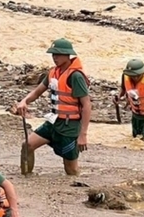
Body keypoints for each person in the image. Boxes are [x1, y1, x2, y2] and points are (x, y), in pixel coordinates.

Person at [12, 38, 91, 176]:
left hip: (69, 126)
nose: (55, 57)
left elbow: (86, 105)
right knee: (27, 145)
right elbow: (37, 92)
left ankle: (76, 189)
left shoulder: (76, 76)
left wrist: (83, 134)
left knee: (71, 169)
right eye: (53, 54)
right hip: (53, 121)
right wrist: (24, 101)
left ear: (68, 55)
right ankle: (27, 176)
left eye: (59, 54)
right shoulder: (53, 72)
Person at [117, 58, 144, 141]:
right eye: (133, 75)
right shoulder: (125, 76)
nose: (135, 77)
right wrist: (119, 97)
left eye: (138, 75)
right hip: (136, 113)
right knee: (135, 138)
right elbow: (123, 89)